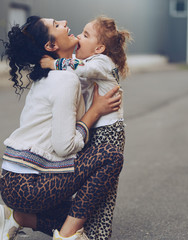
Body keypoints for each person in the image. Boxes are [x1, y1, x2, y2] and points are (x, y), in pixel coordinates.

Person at [0, 16, 123, 240]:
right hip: (28, 187)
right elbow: (64, 147)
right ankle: (68, 236)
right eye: (57, 25)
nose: (64, 21)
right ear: (51, 46)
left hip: (13, 181)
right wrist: (94, 112)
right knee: (111, 155)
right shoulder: (65, 80)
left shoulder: (48, 77)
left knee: (85, 213)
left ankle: (15, 217)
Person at [40, 16, 131, 240]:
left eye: (86, 35)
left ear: (99, 48)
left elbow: (79, 69)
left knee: (104, 187)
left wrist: (53, 63)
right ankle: (85, 228)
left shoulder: (100, 63)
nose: (79, 36)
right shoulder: (95, 63)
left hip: (109, 132)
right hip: (99, 129)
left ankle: (98, 233)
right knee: (93, 183)